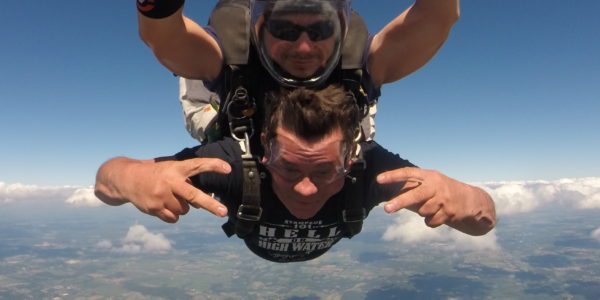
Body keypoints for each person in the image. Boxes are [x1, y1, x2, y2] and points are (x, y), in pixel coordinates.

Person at [95, 85, 496, 263]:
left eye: (325, 170)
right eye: (289, 167)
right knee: (206, 120)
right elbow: (104, 182)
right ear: (267, 148)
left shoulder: (369, 169)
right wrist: (133, 180)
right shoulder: (232, 163)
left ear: (349, 156)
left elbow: (484, 220)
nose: (306, 188)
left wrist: (466, 201)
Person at [138, 0, 460, 144]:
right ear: (260, 28)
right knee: (206, 103)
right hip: (241, 132)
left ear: (340, 31)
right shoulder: (234, 53)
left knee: (357, 112)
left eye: (320, 30)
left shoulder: (357, 59)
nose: (304, 48)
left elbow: (437, 18)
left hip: (331, 160)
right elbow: (167, 39)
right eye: (285, 29)